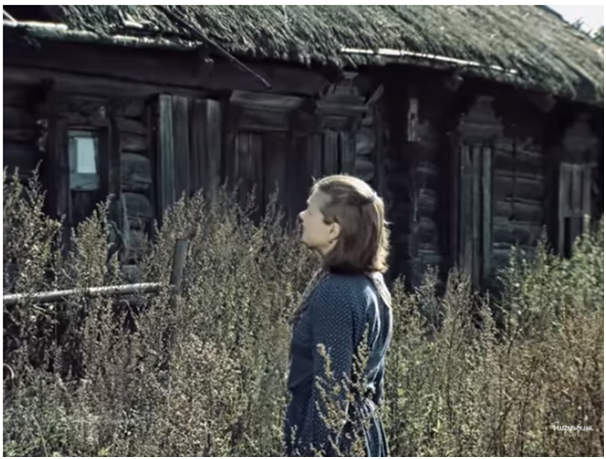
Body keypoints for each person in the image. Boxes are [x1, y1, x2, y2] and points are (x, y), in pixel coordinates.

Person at [284, 174, 393, 457]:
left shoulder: (337, 294)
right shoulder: (372, 283)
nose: (302, 216)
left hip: (335, 443)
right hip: (362, 433)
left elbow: (329, 399)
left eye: (311, 211)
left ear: (334, 229)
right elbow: (376, 385)